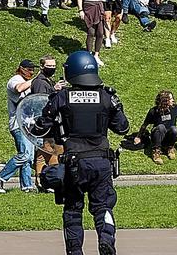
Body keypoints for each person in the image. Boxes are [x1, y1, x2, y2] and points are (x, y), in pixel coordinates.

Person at [30, 51, 128, 255]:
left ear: (71, 71)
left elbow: (41, 127)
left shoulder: (62, 97)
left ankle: (75, 251)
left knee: (73, 210)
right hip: (102, 162)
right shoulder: (107, 96)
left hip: (74, 163)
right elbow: (123, 127)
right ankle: (106, 239)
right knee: (103, 207)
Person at [0, 59, 38, 193]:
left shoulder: (28, 81)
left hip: (29, 125)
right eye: (29, 69)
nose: (31, 72)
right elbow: (18, 88)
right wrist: (35, 80)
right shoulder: (15, 79)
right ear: (22, 69)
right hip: (18, 124)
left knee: (28, 157)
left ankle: (27, 187)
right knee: (24, 155)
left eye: (33, 70)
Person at [135, 90, 177, 165]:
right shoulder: (154, 111)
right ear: (164, 101)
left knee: (174, 129)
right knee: (161, 127)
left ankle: (169, 148)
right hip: (158, 135)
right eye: (170, 99)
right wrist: (138, 136)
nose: (173, 100)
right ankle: (156, 152)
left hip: (169, 136)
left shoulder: (175, 108)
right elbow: (145, 124)